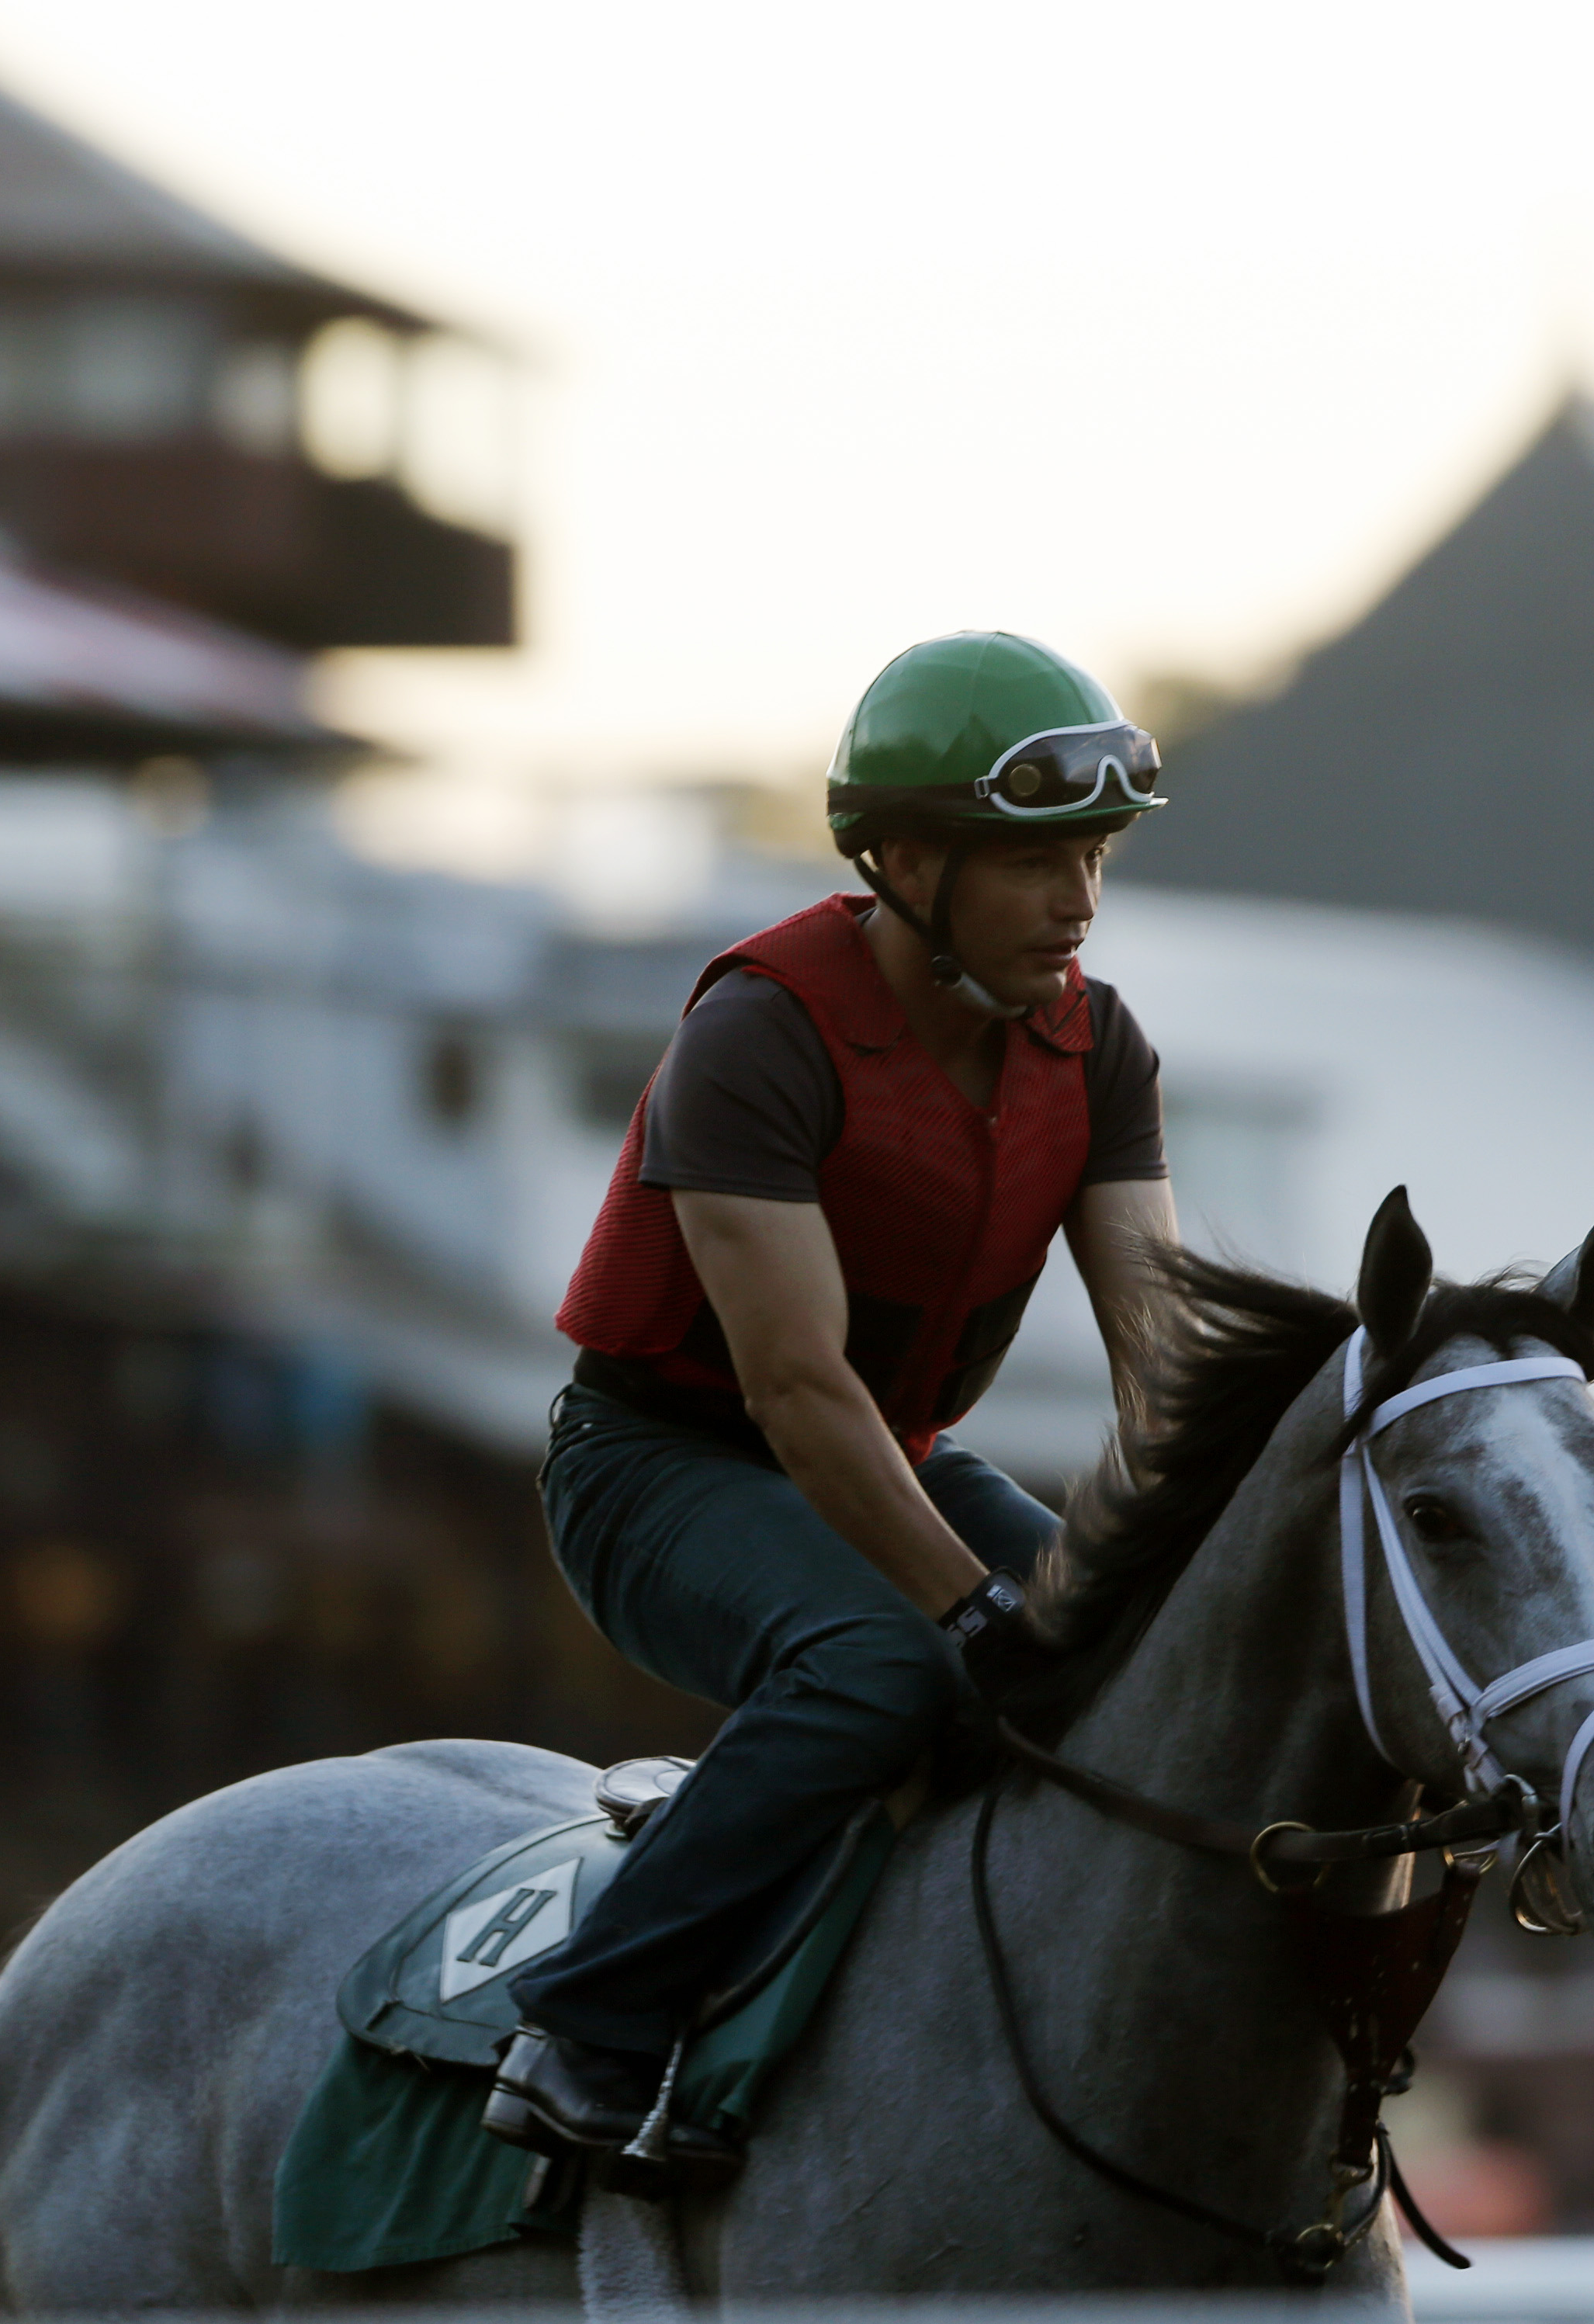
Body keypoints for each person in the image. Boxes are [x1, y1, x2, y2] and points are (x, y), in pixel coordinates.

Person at [487, 631, 1181, 2163]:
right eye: (1034, 865)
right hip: (656, 1466)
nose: (1078, 902)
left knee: (1118, 1654)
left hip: (898, 1456)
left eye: (1095, 859)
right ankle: (585, 2027)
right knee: (892, 1666)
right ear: (908, 862)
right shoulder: (756, 1035)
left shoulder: (1099, 1045)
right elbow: (797, 1393)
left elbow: (1165, 1366)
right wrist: (980, 1615)